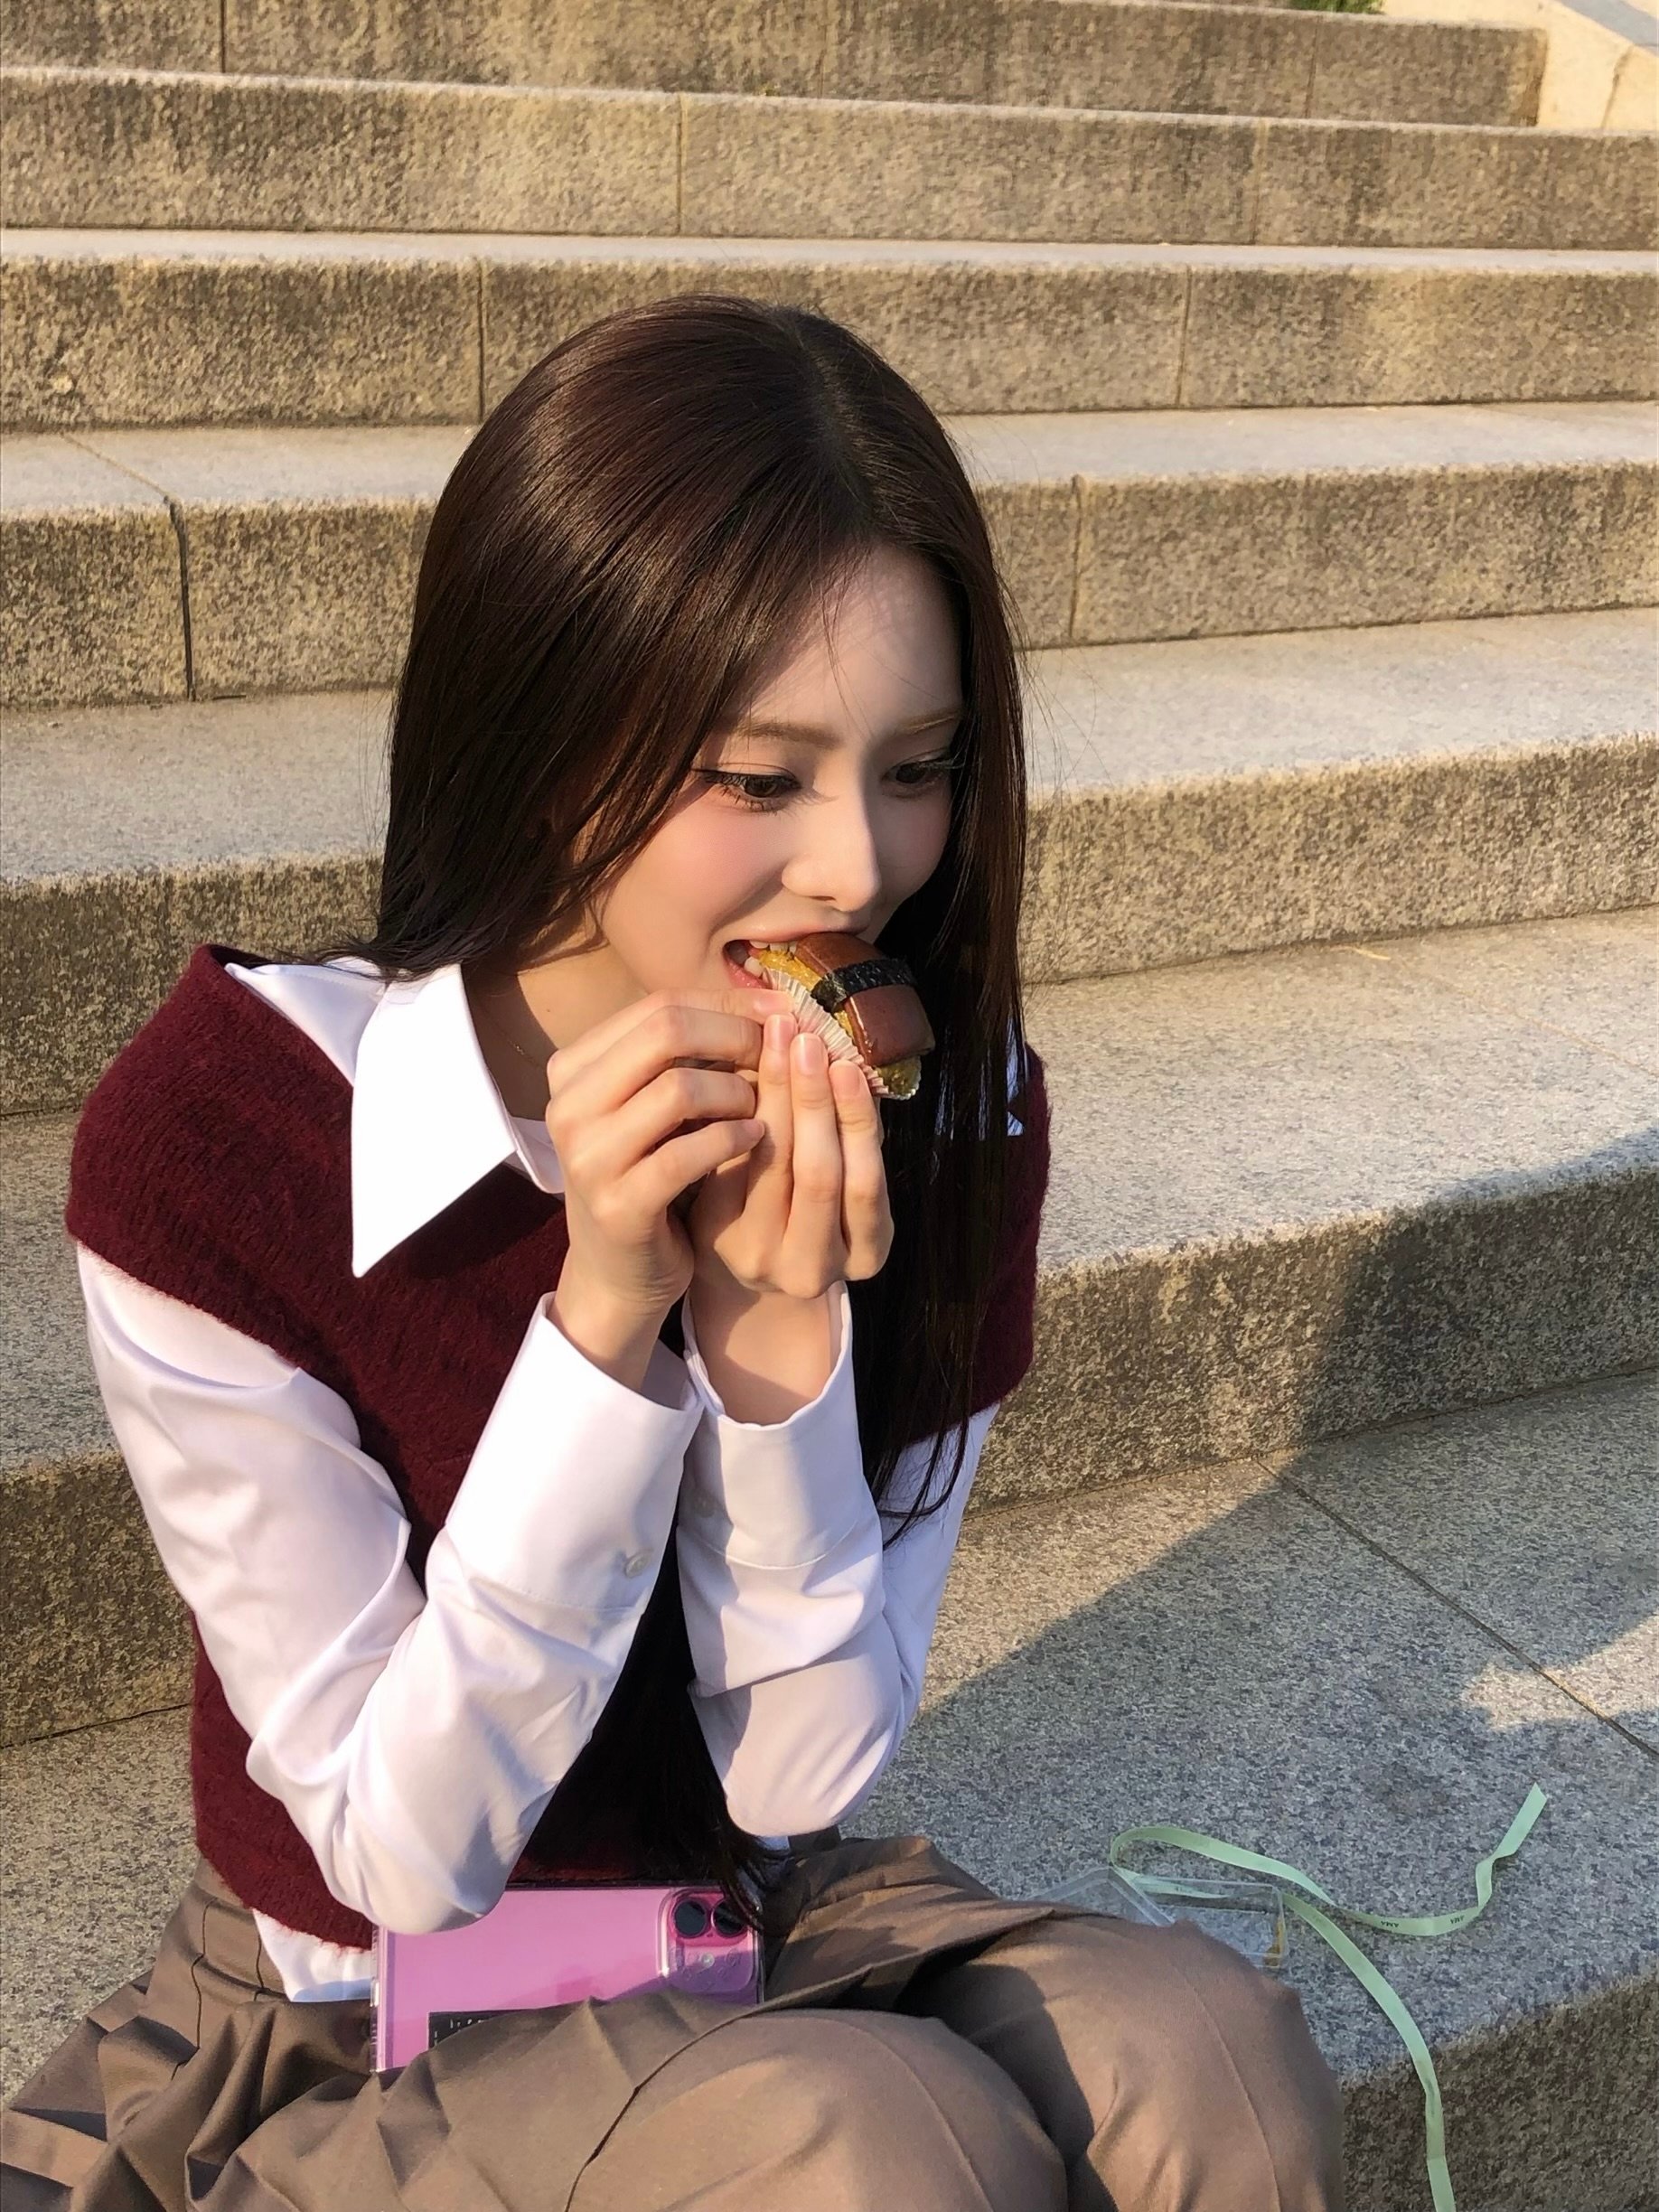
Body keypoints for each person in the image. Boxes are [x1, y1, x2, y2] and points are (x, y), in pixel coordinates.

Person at [2, 296, 1345, 2210]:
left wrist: (780, 1338)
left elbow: (798, 1782)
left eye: (918, 766)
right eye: (761, 777)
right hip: (372, 2002)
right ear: (545, 741)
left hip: (730, 1923)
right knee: (874, 2151)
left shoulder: (953, 1112)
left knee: (1209, 2064)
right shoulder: (233, 1139)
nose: (860, 868)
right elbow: (402, 1855)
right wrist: (608, 1322)